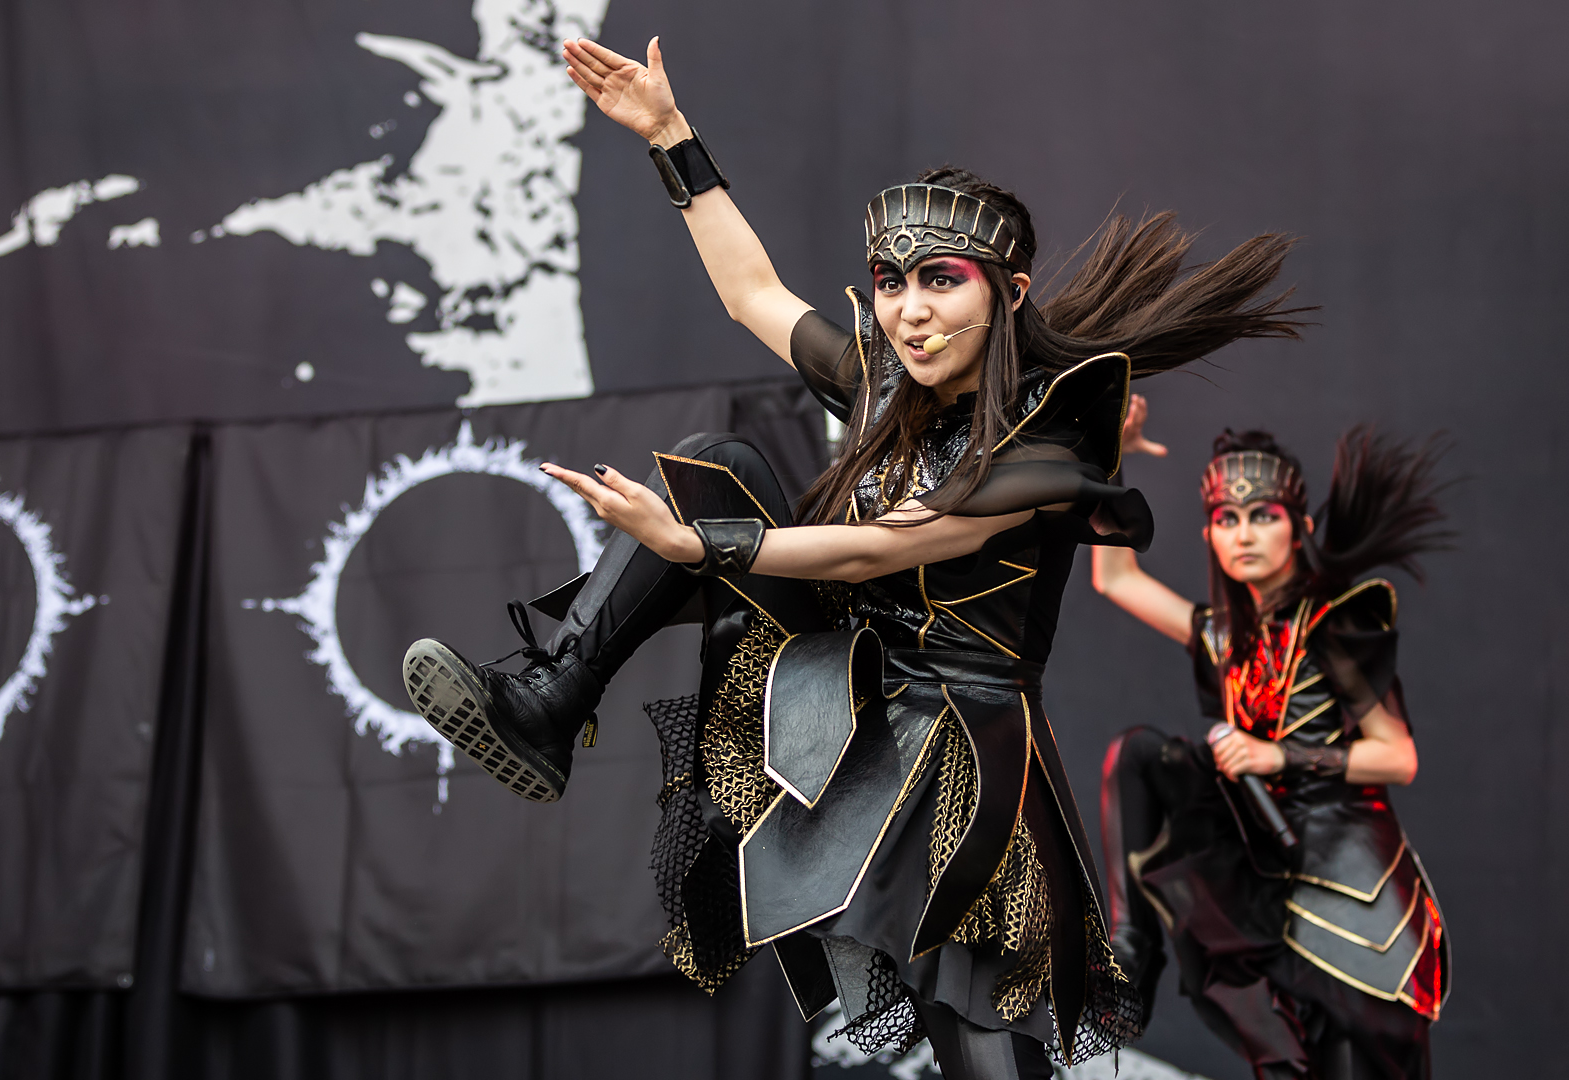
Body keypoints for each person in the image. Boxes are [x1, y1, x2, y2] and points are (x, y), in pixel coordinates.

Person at [399, 35, 1304, 1080]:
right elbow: (753, 295)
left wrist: (705, 545)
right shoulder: (884, 383)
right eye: (888, 282)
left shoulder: (1051, 437)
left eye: (939, 281)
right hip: (854, 674)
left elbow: (905, 537)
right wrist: (670, 138)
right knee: (716, 460)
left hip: (964, 732)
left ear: (1006, 293)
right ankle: (555, 703)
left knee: (978, 1031)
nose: (908, 310)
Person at [1092, 417, 1452, 1079]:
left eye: (1263, 516)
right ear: (1210, 535)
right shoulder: (1227, 636)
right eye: (1228, 519)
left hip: (1350, 885)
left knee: (1357, 1057)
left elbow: (1397, 756)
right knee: (1139, 755)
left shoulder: (1334, 620)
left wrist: (1278, 756)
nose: (1246, 533)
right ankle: (1128, 953)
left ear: (1300, 527)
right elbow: (1116, 579)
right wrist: (1110, 456)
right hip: (1261, 874)